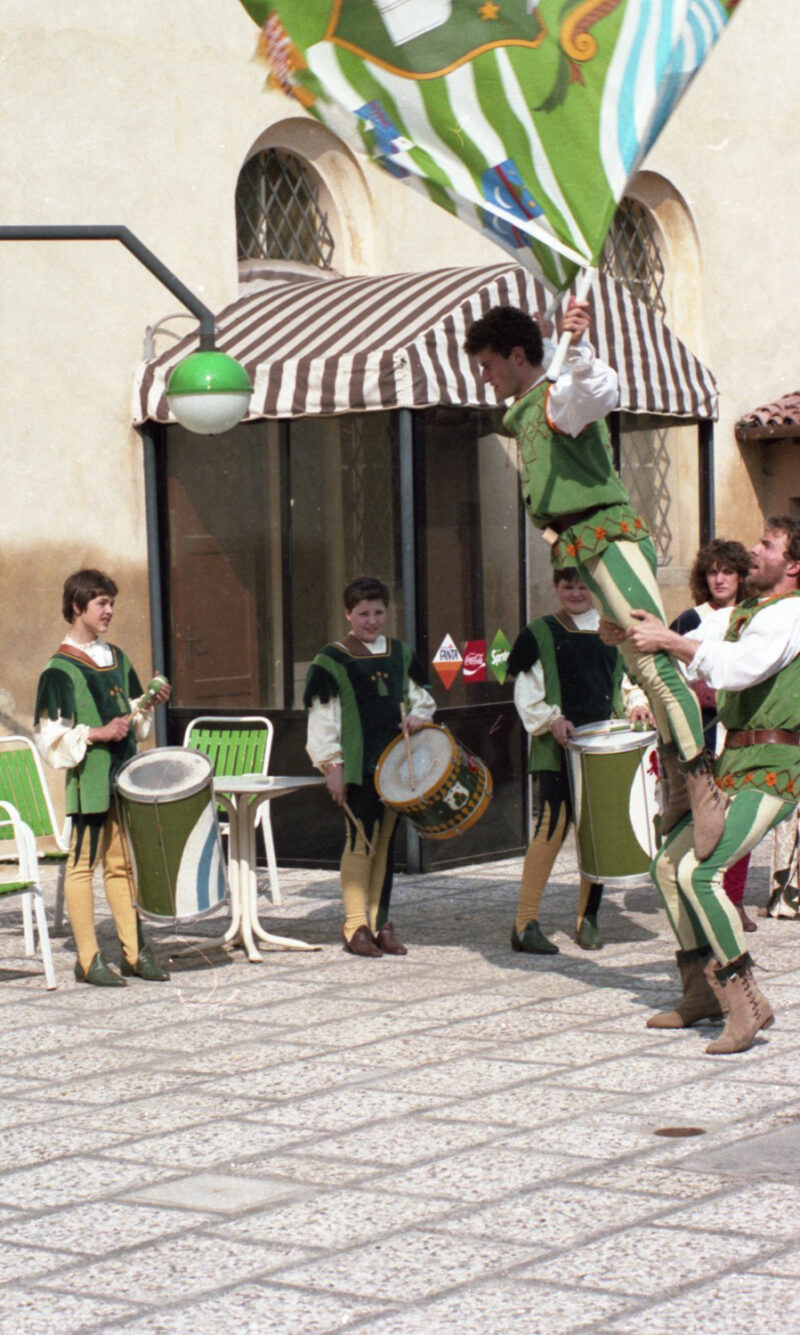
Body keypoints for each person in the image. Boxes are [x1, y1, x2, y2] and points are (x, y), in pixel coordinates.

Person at [463, 301, 723, 862]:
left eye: (487, 364)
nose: (484, 377)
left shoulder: (559, 398)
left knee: (654, 659)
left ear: (516, 356)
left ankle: (703, 784)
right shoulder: (537, 403)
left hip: (609, 537)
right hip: (585, 548)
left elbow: (599, 389)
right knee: (639, 665)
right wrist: (558, 346)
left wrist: (576, 344)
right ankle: (680, 784)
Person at [620, 516, 800, 1054]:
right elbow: (698, 651)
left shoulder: (792, 613)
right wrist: (634, 636)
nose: (754, 551)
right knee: (667, 867)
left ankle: (746, 1003)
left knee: (701, 873)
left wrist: (667, 639)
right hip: (735, 761)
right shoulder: (748, 612)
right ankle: (700, 992)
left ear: (794, 565)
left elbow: (736, 668)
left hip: (774, 767)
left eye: (767, 545)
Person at [34, 569, 171, 986]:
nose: (109, 610)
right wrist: (97, 733)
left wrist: (149, 703)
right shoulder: (59, 669)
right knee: (81, 866)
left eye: (111, 603)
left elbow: (134, 723)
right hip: (90, 782)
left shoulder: (118, 658)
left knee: (122, 865)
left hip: (123, 777)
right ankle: (88, 959)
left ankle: (134, 953)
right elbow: (49, 738)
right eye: (101, 603)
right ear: (78, 607)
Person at [507, 567, 652, 955]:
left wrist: (637, 705)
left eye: (583, 586)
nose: (576, 593)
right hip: (558, 749)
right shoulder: (539, 633)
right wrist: (552, 719)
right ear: (556, 587)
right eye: (568, 586)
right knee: (550, 831)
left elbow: (628, 682)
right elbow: (527, 693)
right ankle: (524, 923)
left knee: (595, 834)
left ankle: (588, 919)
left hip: (603, 750)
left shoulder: (612, 631)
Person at [304, 576, 436, 957]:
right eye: (363, 614)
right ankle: (354, 926)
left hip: (394, 766)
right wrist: (331, 765)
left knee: (384, 844)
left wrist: (418, 716)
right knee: (360, 841)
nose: (372, 621)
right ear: (348, 614)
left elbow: (420, 699)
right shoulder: (332, 659)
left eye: (378, 612)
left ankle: (381, 923)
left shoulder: (400, 653)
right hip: (357, 766)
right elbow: (323, 717)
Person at [671, 538, 756, 932]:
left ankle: (733, 899)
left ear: (741, 576)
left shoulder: (754, 615)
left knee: (738, 814)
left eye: (728, 571)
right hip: (701, 728)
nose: (719, 579)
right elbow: (667, 671)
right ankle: (694, 892)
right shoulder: (690, 620)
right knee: (702, 812)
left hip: (741, 726)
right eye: (712, 572)